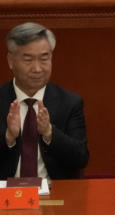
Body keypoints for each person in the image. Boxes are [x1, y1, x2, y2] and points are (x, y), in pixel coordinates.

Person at [1, 22, 88, 180]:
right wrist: (8, 138)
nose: (37, 68)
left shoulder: (69, 102)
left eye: (44, 59)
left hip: (55, 194)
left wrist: (49, 133)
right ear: (11, 61)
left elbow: (80, 158)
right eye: (28, 60)